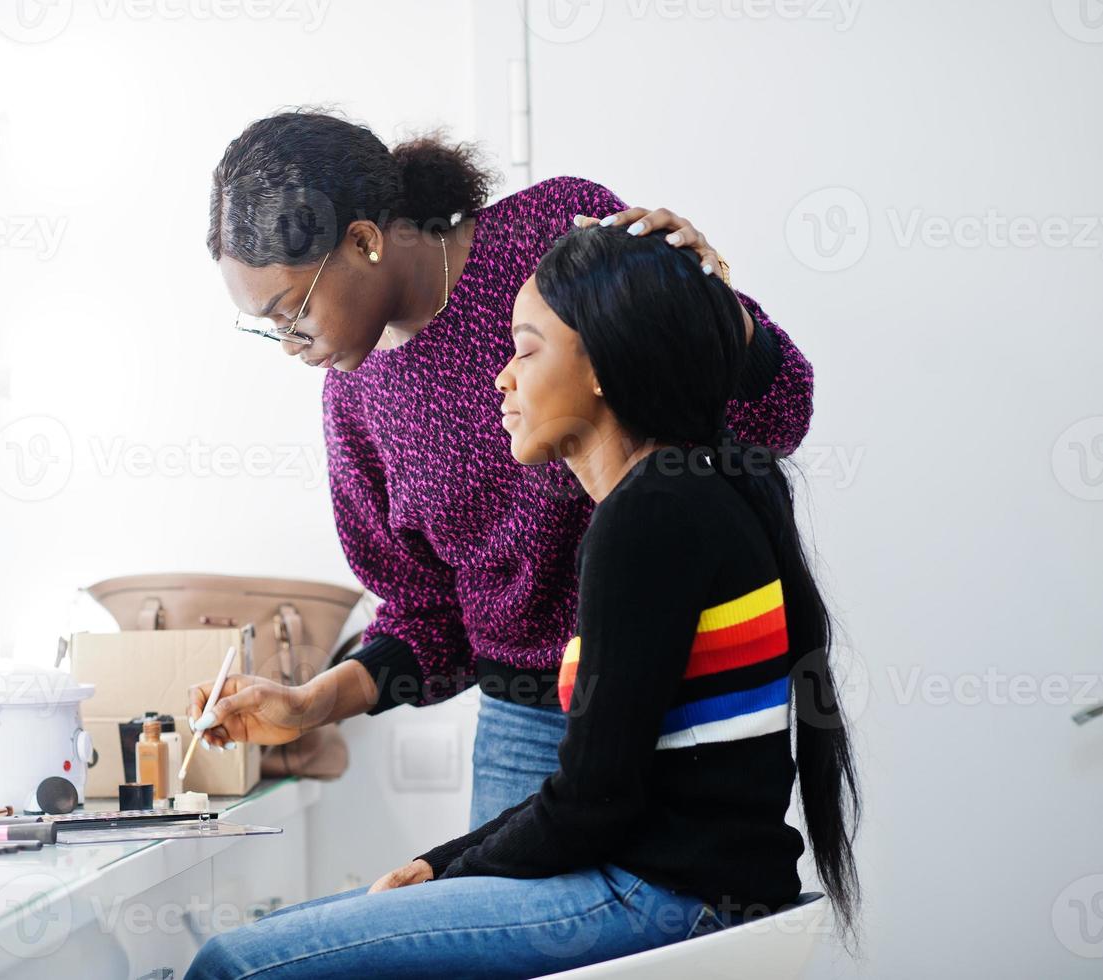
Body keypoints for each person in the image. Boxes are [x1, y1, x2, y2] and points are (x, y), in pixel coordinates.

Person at [184, 223, 859, 980]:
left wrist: (449, 868)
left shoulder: (650, 515)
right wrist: (439, 862)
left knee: (230, 964)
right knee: (277, 942)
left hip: (663, 894)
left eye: (525, 349)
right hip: (671, 881)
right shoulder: (686, 492)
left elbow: (592, 803)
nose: (499, 379)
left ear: (602, 363)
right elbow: (591, 787)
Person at [196, 109, 815, 827]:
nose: (288, 345)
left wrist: (718, 308)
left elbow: (777, 416)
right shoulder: (354, 400)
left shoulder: (549, 233)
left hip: (689, 694)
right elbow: (430, 619)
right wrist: (312, 704)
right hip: (528, 727)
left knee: (670, 925)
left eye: (289, 312)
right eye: (265, 328)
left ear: (363, 241)